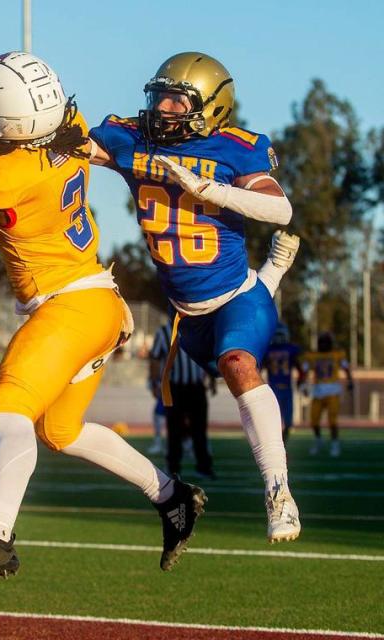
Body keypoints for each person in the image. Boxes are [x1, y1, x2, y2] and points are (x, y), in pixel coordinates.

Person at [0, 52, 205, 579]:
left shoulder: (0, 173)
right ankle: (172, 496)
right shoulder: (71, 129)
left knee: (8, 413)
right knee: (60, 430)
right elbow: (20, 122)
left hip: (67, 307)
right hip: (99, 301)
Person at [79, 52, 302, 543]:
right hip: (187, 317)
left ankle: (279, 491)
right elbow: (66, 147)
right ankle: (274, 271)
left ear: (213, 107)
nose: (164, 108)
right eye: (159, 97)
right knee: (222, 357)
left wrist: (208, 188)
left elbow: (280, 209)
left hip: (234, 298)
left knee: (239, 363)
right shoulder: (129, 138)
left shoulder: (234, 148)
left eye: (177, 100)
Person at [150, 320, 216, 479]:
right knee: (174, 430)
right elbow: (155, 358)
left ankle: (203, 467)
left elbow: (207, 355)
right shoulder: (164, 332)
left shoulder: (198, 327)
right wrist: (155, 383)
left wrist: (212, 378)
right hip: (175, 387)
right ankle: (174, 468)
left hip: (196, 386)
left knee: (199, 429)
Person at [299, 332, 353, 457]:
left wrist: (350, 381)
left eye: (325, 342)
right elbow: (304, 371)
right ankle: (319, 441)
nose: (323, 345)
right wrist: (302, 384)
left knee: (332, 421)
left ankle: (335, 444)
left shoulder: (337, 354)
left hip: (333, 391)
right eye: (321, 342)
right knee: (313, 421)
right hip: (318, 391)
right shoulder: (312, 356)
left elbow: (346, 368)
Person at [263, 323, 302, 442]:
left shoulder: (269, 349)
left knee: (289, 423)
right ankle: (279, 446)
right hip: (274, 389)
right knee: (274, 422)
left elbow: (300, 368)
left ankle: (282, 444)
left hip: (286, 389)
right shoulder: (271, 349)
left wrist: (302, 380)